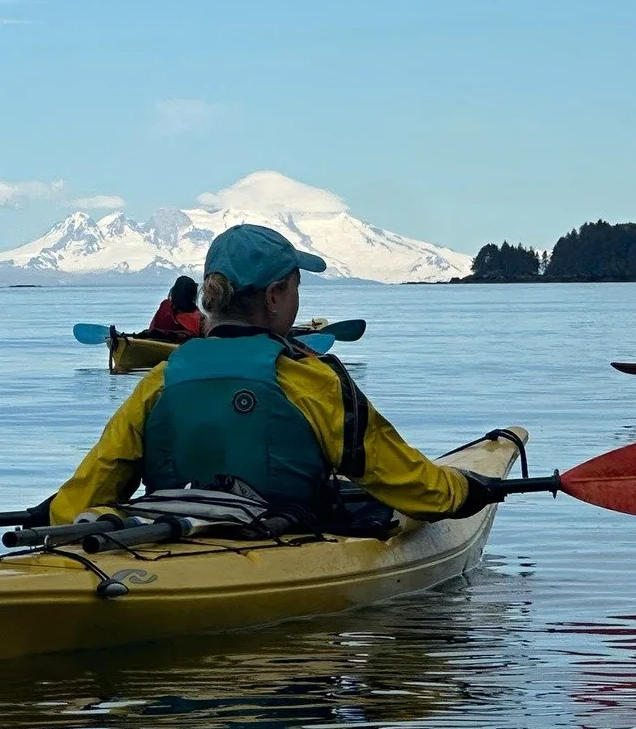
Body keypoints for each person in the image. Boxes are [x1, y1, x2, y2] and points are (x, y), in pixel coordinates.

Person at [49, 224, 503, 526]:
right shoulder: (308, 377)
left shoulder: (160, 379)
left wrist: (52, 515)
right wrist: (465, 491)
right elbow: (405, 481)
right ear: (274, 295)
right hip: (279, 540)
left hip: (172, 533)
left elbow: (96, 481)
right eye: (296, 288)